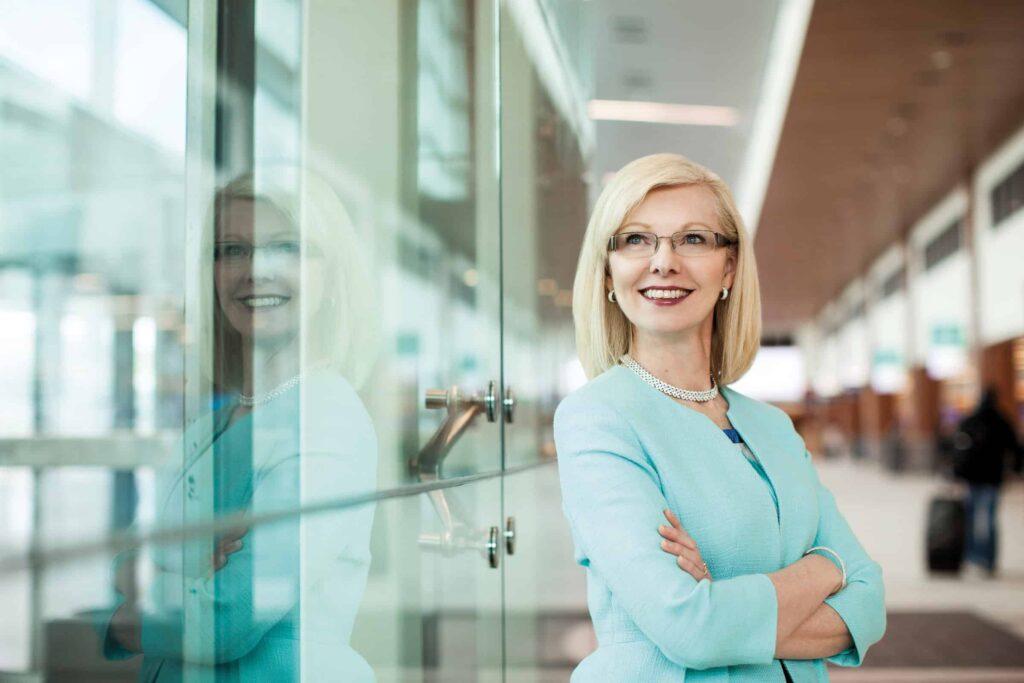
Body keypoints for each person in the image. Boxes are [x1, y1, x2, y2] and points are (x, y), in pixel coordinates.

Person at [553, 153, 886, 682]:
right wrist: (828, 567)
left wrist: (723, 608)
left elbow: (868, 605)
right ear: (609, 272)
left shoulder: (772, 427)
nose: (663, 261)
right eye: (636, 239)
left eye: (693, 239)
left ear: (729, 267)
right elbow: (692, 629)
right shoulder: (597, 419)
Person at [93, 169, 381, 681]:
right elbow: (123, 565)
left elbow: (227, 620)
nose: (255, 270)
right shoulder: (213, 424)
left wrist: (130, 615)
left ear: (332, 278)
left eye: (287, 247)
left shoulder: (327, 420)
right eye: (231, 250)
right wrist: (191, 565)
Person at [952, 387, 1024, 577]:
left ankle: (972, 555)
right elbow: (1016, 447)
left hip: (972, 478)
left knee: (971, 517)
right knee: (990, 519)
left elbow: (957, 449)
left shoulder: (970, 420)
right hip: (993, 478)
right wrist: (1016, 469)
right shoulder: (1001, 421)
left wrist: (956, 474)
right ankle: (989, 560)